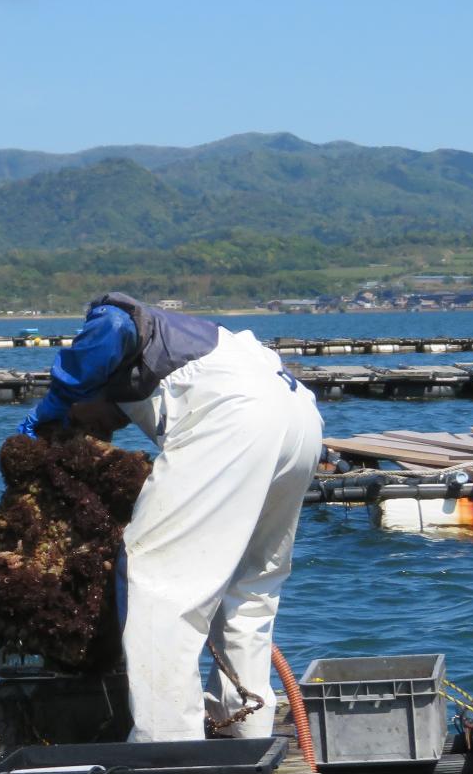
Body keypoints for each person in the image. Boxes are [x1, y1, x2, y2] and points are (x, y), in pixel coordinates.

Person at [17, 293, 322, 742]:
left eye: (85, 423)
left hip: (237, 415)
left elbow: (113, 325)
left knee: (156, 578)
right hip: (298, 419)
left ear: (90, 385)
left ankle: (168, 749)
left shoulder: (118, 327)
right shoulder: (199, 343)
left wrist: (53, 406)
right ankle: (246, 731)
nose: (94, 434)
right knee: (249, 589)